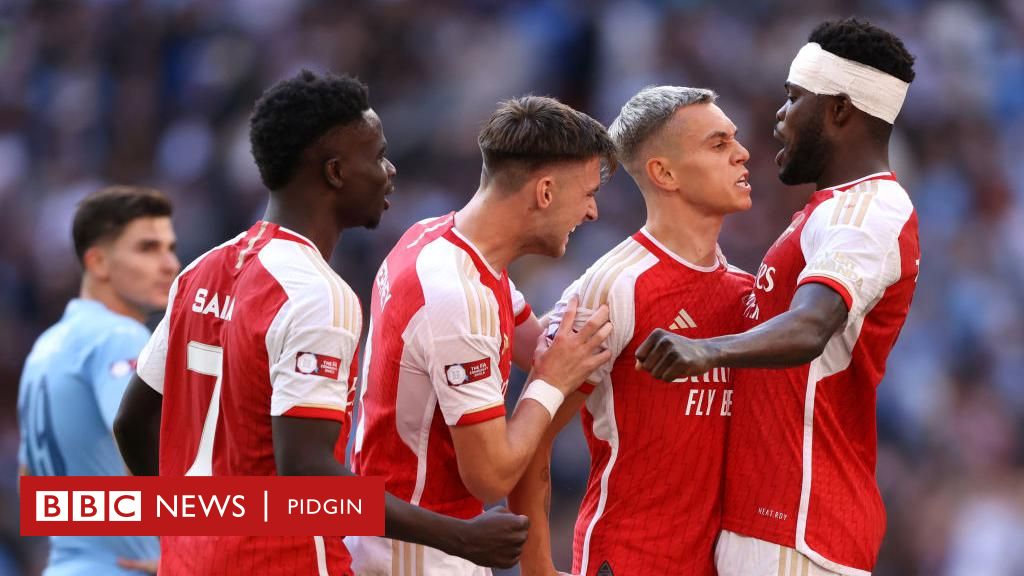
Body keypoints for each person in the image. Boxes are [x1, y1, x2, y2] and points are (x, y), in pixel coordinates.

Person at [113, 70, 529, 576]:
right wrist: (461, 537)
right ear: (335, 172)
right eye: (376, 156)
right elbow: (307, 470)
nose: (389, 170)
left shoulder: (203, 270)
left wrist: (191, 532)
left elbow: (131, 422)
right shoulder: (318, 295)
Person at [635, 18, 918, 576]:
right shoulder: (828, 210)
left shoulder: (868, 210)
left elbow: (812, 326)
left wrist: (706, 350)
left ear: (838, 110)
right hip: (773, 526)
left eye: (793, 99)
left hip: (800, 528)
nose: (778, 116)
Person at [347, 95, 616, 575]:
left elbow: (539, 347)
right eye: (589, 192)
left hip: (414, 540)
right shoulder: (456, 296)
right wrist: (551, 382)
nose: (592, 212)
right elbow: (491, 476)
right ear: (546, 192)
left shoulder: (438, 238)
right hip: (414, 556)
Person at [508, 86, 755, 576]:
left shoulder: (747, 291)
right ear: (664, 173)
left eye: (735, 140)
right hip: (628, 558)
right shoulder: (613, 286)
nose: (742, 153)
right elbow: (534, 435)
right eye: (718, 144)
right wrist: (537, 566)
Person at [18, 186, 178, 575]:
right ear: (99, 263)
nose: (170, 263)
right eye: (147, 248)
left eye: (170, 247)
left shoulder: (44, 347)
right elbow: (137, 440)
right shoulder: (117, 336)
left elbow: (30, 486)